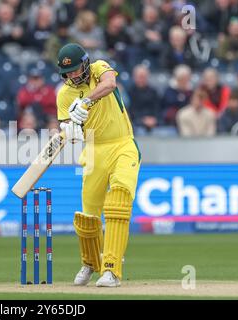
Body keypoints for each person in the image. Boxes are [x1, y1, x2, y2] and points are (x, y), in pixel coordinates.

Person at [56, 43, 141, 287]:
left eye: (75, 69)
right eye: (67, 72)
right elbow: (66, 126)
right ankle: (90, 263)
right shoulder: (63, 94)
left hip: (122, 144)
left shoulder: (98, 68)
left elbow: (110, 85)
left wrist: (85, 103)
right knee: (88, 216)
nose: (73, 75)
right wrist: (70, 127)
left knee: (118, 202)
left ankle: (112, 269)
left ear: (85, 63)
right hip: (93, 151)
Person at [127, 64, 161, 133]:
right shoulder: (129, 92)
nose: (142, 79)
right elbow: (131, 109)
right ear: (134, 77)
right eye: (140, 77)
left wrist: (154, 119)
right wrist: (143, 120)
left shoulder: (153, 91)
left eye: (144, 77)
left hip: (153, 121)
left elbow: (157, 108)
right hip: (136, 121)